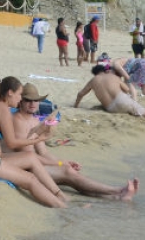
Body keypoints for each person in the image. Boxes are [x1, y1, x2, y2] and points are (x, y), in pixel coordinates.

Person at [7, 83, 138, 200]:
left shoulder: (34, 121)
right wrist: (60, 164)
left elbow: (43, 152)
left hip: (36, 165)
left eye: (36, 100)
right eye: (28, 100)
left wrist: (61, 162)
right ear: (20, 102)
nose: (33, 104)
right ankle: (117, 190)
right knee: (68, 173)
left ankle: (116, 197)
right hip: (26, 169)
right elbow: (29, 156)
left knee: (70, 173)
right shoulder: (18, 121)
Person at [0, 76, 66, 208]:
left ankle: (61, 196)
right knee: (30, 180)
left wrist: (37, 132)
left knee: (30, 157)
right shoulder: (2, 109)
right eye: (19, 95)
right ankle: (62, 207)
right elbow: (12, 143)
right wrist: (39, 139)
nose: (20, 99)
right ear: (10, 93)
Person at [74, 62, 145, 128]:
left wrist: (76, 106)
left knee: (124, 107)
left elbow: (80, 94)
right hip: (122, 101)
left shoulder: (93, 80)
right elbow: (127, 90)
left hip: (110, 108)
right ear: (105, 71)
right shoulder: (112, 76)